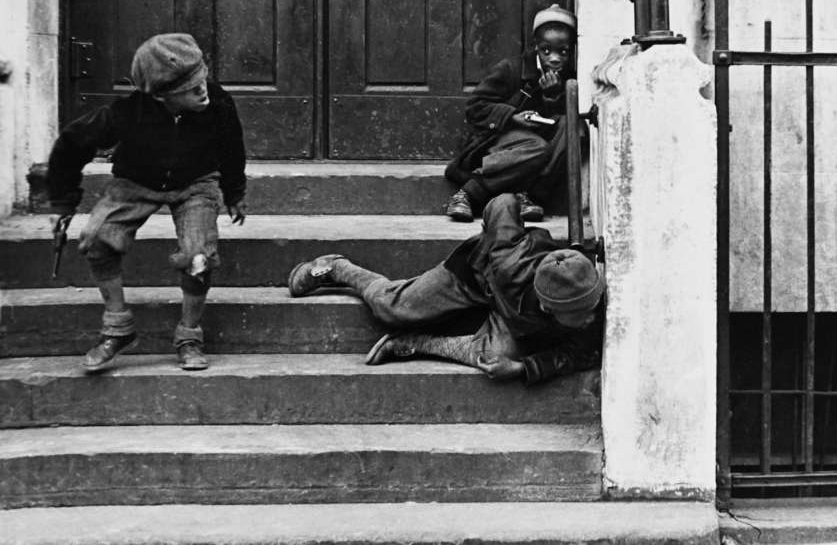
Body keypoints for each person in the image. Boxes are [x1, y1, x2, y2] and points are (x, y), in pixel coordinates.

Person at [46, 33, 248, 372]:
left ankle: (189, 336)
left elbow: (232, 148)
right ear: (161, 95)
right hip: (136, 182)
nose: (203, 91)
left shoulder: (219, 102)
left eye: (202, 79)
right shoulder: (127, 112)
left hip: (195, 183)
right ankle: (117, 328)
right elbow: (71, 143)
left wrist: (235, 192)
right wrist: (64, 201)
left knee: (198, 256)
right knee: (96, 238)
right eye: (190, 88)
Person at [287, 193, 604, 384]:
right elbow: (502, 203)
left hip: (509, 317)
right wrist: (494, 242)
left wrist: (524, 368)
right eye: (580, 314)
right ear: (550, 308)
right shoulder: (511, 263)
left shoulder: (588, 296)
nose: (592, 317)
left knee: (494, 359)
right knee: (391, 307)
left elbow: (582, 353)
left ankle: (416, 344)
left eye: (591, 305)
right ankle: (339, 268)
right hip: (474, 278)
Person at [443, 4, 579, 222]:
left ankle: (529, 196)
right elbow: (475, 106)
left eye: (563, 52)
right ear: (536, 47)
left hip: (536, 146)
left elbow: (557, 122)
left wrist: (552, 97)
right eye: (546, 50)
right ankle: (469, 192)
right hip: (502, 140)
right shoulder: (511, 69)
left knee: (574, 127)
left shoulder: (569, 76)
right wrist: (511, 117)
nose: (554, 58)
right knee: (536, 147)